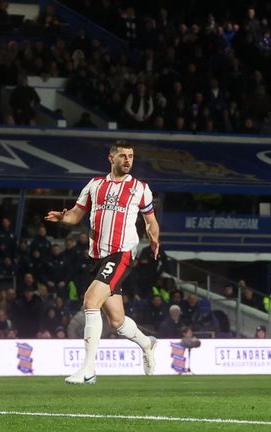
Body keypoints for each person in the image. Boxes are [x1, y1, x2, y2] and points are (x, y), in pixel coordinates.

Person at [45, 140, 160, 385]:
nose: (128, 160)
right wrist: (62, 217)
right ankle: (147, 343)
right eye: (123, 156)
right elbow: (76, 215)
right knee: (117, 321)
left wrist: (154, 237)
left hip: (121, 254)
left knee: (90, 301)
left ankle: (88, 369)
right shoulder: (95, 185)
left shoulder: (140, 188)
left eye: (131, 156)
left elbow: (150, 220)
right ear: (111, 158)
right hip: (97, 257)